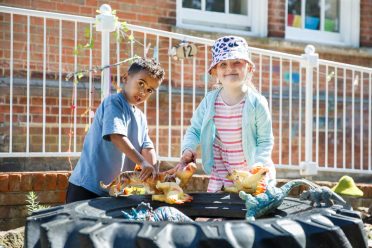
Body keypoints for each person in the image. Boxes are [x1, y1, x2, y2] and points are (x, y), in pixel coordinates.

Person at [179, 36, 276, 192]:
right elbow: (194, 130)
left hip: (252, 174)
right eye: (223, 64)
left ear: (249, 68)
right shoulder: (209, 102)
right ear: (215, 71)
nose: (230, 68)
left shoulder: (257, 103)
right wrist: (188, 149)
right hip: (223, 173)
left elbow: (265, 140)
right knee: (221, 213)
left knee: (251, 213)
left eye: (236, 62)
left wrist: (259, 164)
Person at [66, 58, 165, 203]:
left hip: (113, 192)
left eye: (149, 90)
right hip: (87, 187)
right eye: (141, 83)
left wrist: (155, 172)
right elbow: (116, 136)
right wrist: (143, 162)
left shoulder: (140, 117)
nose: (143, 92)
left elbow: (147, 147)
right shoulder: (114, 103)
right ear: (126, 78)